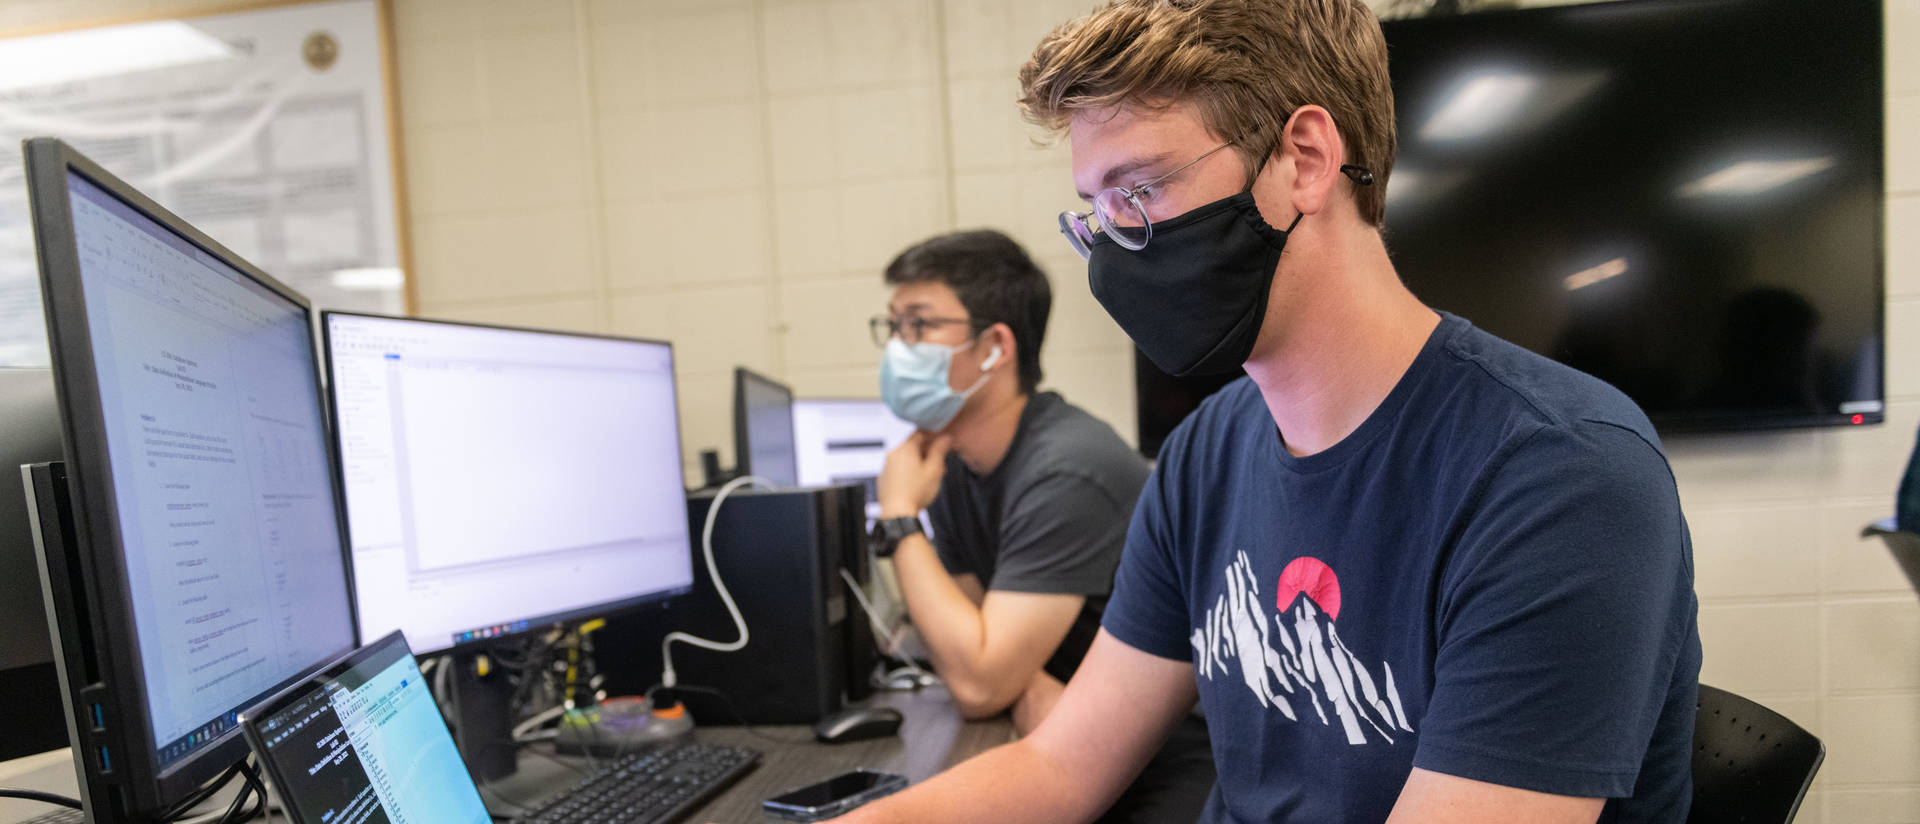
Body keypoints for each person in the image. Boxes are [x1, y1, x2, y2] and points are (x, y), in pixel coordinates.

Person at [840, 1, 1700, 822]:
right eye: (1095, 214)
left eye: (1138, 193)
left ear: (1305, 160)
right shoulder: (1205, 454)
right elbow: (1061, 767)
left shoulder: (1561, 475)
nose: (1114, 253)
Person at [869, 229, 1214, 822]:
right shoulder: (952, 462)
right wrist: (1009, 677)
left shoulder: (1068, 467)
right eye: (894, 325)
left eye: (920, 325)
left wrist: (900, 519)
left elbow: (979, 682)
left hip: (1166, 761)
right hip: (1069, 737)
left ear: (995, 346)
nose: (899, 346)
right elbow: (966, 652)